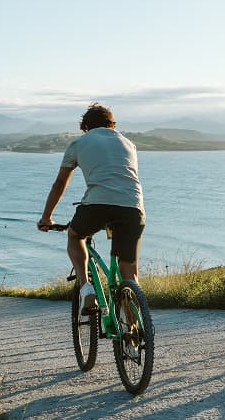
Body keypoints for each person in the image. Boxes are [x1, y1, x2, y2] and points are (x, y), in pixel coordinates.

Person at [38, 103, 145, 314]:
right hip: (133, 207)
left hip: (97, 205)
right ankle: (133, 334)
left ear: (86, 126)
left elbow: (59, 184)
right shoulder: (128, 144)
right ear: (111, 124)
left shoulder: (79, 143)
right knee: (129, 274)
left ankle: (86, 287)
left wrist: (47, 217)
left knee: (75, 236)